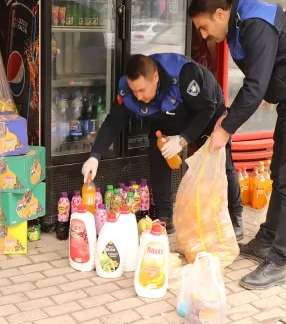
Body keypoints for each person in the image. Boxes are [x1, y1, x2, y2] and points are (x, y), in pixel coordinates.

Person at [188, 0, 286, 290]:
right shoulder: (240, 23)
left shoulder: (254, 23)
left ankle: (278, 262)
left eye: (204, 27)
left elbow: (255, 86)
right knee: (279, 173)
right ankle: (267, 239)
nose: (204, 35)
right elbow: (257, 81)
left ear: (219, 14)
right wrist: (228, 116)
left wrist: (226, 128)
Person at [81, 53, 244, 238]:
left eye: (142, 90)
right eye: (134, 91)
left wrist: (182, 139)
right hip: (168, 114)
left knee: (221, 160)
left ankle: (235, 215)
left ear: (156, 77)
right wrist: (95, 156)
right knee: (157, 153)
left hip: (206, 110)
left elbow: (206, 109)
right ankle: (165, 216)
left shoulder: (183, 75)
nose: (138, 96)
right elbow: (113, 123)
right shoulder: (128, 90)